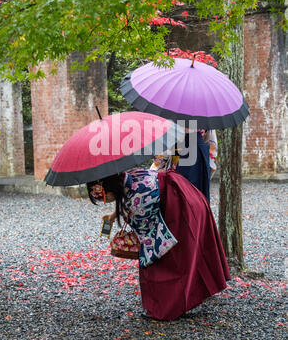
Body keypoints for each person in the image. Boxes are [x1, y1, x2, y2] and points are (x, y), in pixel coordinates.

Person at [87, 167, 230, 321]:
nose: (105, 201)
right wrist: (114, 214)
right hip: (186, 197)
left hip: (181, 209)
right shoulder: (131, 176)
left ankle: (168, 308)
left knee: (166, 260)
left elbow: (148, 234)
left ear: (110, 189)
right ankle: (181, 300)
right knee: (187, 252)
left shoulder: (138, 198)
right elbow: (130, 197)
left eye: (102, 197)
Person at [151, 129, 218, 203]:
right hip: (199, 156)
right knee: (197, 199)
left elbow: (165, 149)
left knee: (179, 198)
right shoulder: (204, 118)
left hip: (182, 156)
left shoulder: (173, 119)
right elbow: (212, 147)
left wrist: (156, 168)